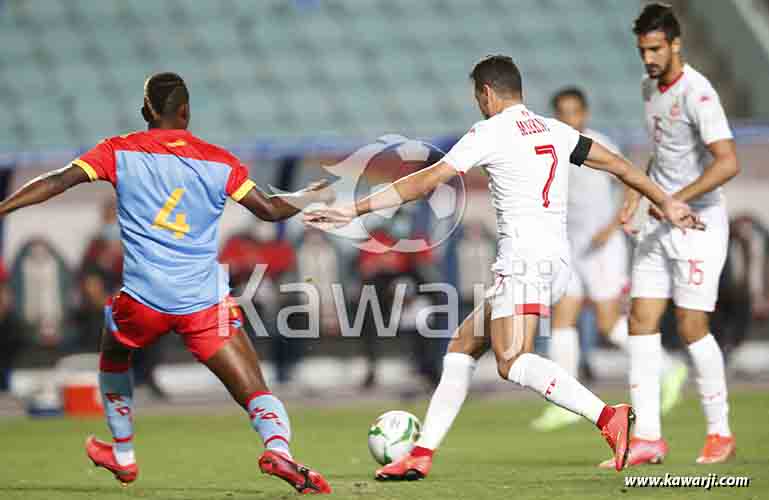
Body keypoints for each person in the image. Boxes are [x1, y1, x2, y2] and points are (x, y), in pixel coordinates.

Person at [305, 55, 700, 479]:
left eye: (478, 97)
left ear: (487, 94)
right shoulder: (556, 130)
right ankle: (420, 454)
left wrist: (355, 209)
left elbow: (426, 181)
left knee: (511, 361)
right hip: (555, 260)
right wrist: (666, 201)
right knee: (462, 348)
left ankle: (608, 417)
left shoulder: (490, 131)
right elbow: (621, 167)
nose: (478, 104)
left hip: (525, 262)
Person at [0, 72, 332, 494]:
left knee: (114, 347)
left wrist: (2, 207)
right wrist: (309, 196)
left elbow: (56, 181)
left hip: (143, 300)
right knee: (253, 386)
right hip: (202, 302)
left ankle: (123, 454)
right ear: (186, 112)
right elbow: (268, 210)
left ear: (145, 112)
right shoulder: (219, 161)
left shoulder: (117, 151)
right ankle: (278, 449)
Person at [605, 3, 740, 468]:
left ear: (675, 44)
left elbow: (728, 162)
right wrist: (637, 195)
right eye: (643, 50)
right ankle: (647, 438)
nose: (649, 59)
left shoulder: (699, 93)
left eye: (656, 49)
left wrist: (673, 199)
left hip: (698, 225)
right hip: (660, 221)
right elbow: (660, 153)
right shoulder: (649, 87)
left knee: (690, 327)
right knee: (640, 321)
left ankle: (719, 432)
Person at [531, 87, 686, 431]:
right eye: (563, 113)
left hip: (603, 245)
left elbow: (630, 177)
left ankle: (667, 367)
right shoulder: (550, 148)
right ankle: (565, 403)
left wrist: (615, 222)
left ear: (584, 114)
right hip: (568, 245)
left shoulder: (599, 144)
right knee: (562, 320)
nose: (569, 118)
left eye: (574, 112)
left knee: (607, 323)